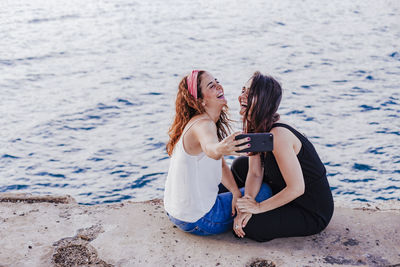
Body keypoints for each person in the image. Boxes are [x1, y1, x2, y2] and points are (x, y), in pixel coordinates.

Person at [164, 70, 272, 236]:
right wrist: (221, 148)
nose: (219, 86)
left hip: (176, 212)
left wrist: (236, 193)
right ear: (200, 101)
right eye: (211, 86)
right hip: (199, 219)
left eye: (217, 81)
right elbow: (211, 148)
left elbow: (220, 164)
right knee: (264, 190)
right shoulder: (203, 125)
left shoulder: (200, 122)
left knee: (242, 188)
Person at [233, 71, 334, 242]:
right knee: (240, 166)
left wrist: (258, 207)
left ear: (263, 100)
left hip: (310, 210)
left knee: (250, 227)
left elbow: (297, 188)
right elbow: (255, 172)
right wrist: (247, 204)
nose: (241, 96)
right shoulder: (255, 125)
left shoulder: (278, 134)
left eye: (249, 93)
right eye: (243, 91)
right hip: (284, 189)